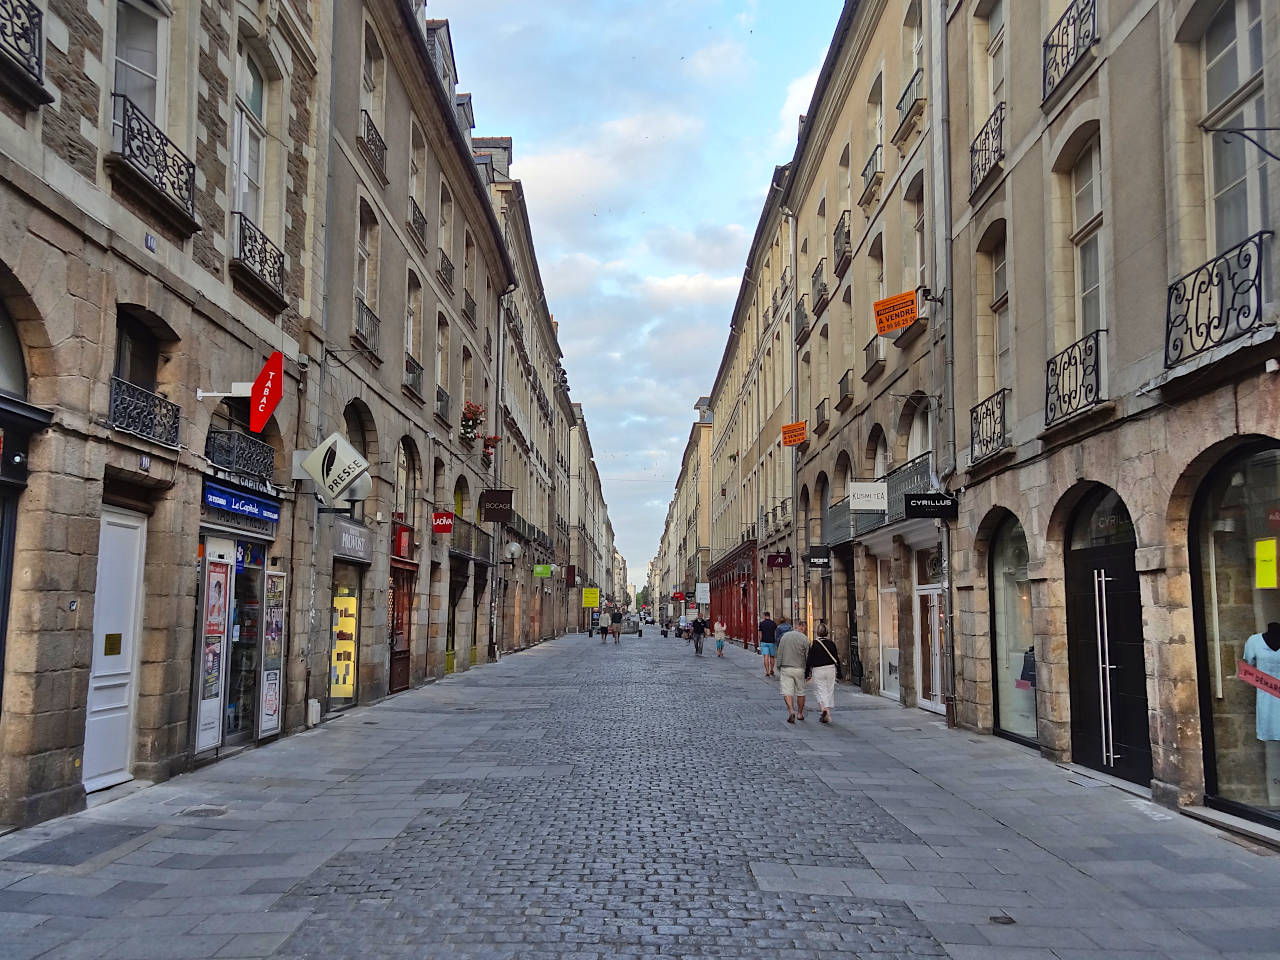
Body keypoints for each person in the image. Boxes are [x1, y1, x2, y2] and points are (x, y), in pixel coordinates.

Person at [775, 622, 810, 723]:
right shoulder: (805, 639)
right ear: (801, 627)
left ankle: (791, 710)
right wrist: (808, 671)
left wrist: (778, 666)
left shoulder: (785, 637)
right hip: (799, 668)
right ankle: (799, 713)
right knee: (801, 692)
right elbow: (808, 655)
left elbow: (779, 652)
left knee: (787, 691)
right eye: (805, 628)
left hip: (786, 667)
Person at [808, 620, 839, 724]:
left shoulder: (815, 644)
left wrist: (807, 672)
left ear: (817, 632)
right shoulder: (831, 644)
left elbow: (810, 659)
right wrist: (840, 671)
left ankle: (825, 711)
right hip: (830, 669)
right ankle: (827, 712)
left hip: (818, 670)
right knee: (829, 690)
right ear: (827, 633)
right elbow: (836, 658)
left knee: (820, 690)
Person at [758, 611, 777, 677]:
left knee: (766, 657)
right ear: (769, 616)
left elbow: (760, 634)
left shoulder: (761, 623)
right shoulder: (773, 623)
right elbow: (775, 633)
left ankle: (767, 671)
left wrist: (760, 641)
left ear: (764, 616)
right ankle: (772, 670)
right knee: (772, 656)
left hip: (764, 642)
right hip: (771, 642)